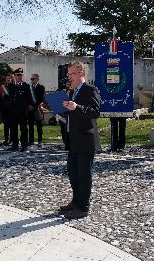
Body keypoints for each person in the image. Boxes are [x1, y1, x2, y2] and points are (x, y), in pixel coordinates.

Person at [58, 61, 101, 220]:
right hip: (73, 139)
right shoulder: (71, 91)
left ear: (82, 73)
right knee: (73, 173)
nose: (70, 77)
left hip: (85, 139)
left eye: (73, 74)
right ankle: (76, 202)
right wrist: (61, 110)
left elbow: (95, 112)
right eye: (68, 74)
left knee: (84, 174)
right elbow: (72, 112)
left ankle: (83, 207)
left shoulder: (91, 90)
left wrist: (77, 107)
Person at [8, 68, 32, 152]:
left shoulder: (25, 85)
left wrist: (29, 106)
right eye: (18, 75)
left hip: (22, 110)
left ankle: (24, 145)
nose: (20, 76)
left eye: (21, 75)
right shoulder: (11, 85)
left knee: (23, 128)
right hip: (13, 110)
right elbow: (10, 97)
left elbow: (29, 98)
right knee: (13, 128)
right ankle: (14, 144)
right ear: (14, 76)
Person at [28, 73, 45, 146]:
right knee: (30, 125)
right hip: (30, 109)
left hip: (37, 108)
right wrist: (29, 105)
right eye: (31, 79)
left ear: (37, 79)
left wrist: (34, 106)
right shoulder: (29, 88)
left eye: (33, 79)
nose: (32, 80)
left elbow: (41, 99)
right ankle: (31, 141)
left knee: (39, 126)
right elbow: (28, 98)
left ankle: (40, 141)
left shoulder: (41, 87)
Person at [0, 74, 13, 146]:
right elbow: (0, 98)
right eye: (7, 78)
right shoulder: (2, 87)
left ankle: (11, 139)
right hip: (4, 109)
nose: (8, 79)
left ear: (11, 79)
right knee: (6, 125)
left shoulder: (13, 86)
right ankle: (6, 139)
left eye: (9, 78)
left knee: (12, 125)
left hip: (11, 109)